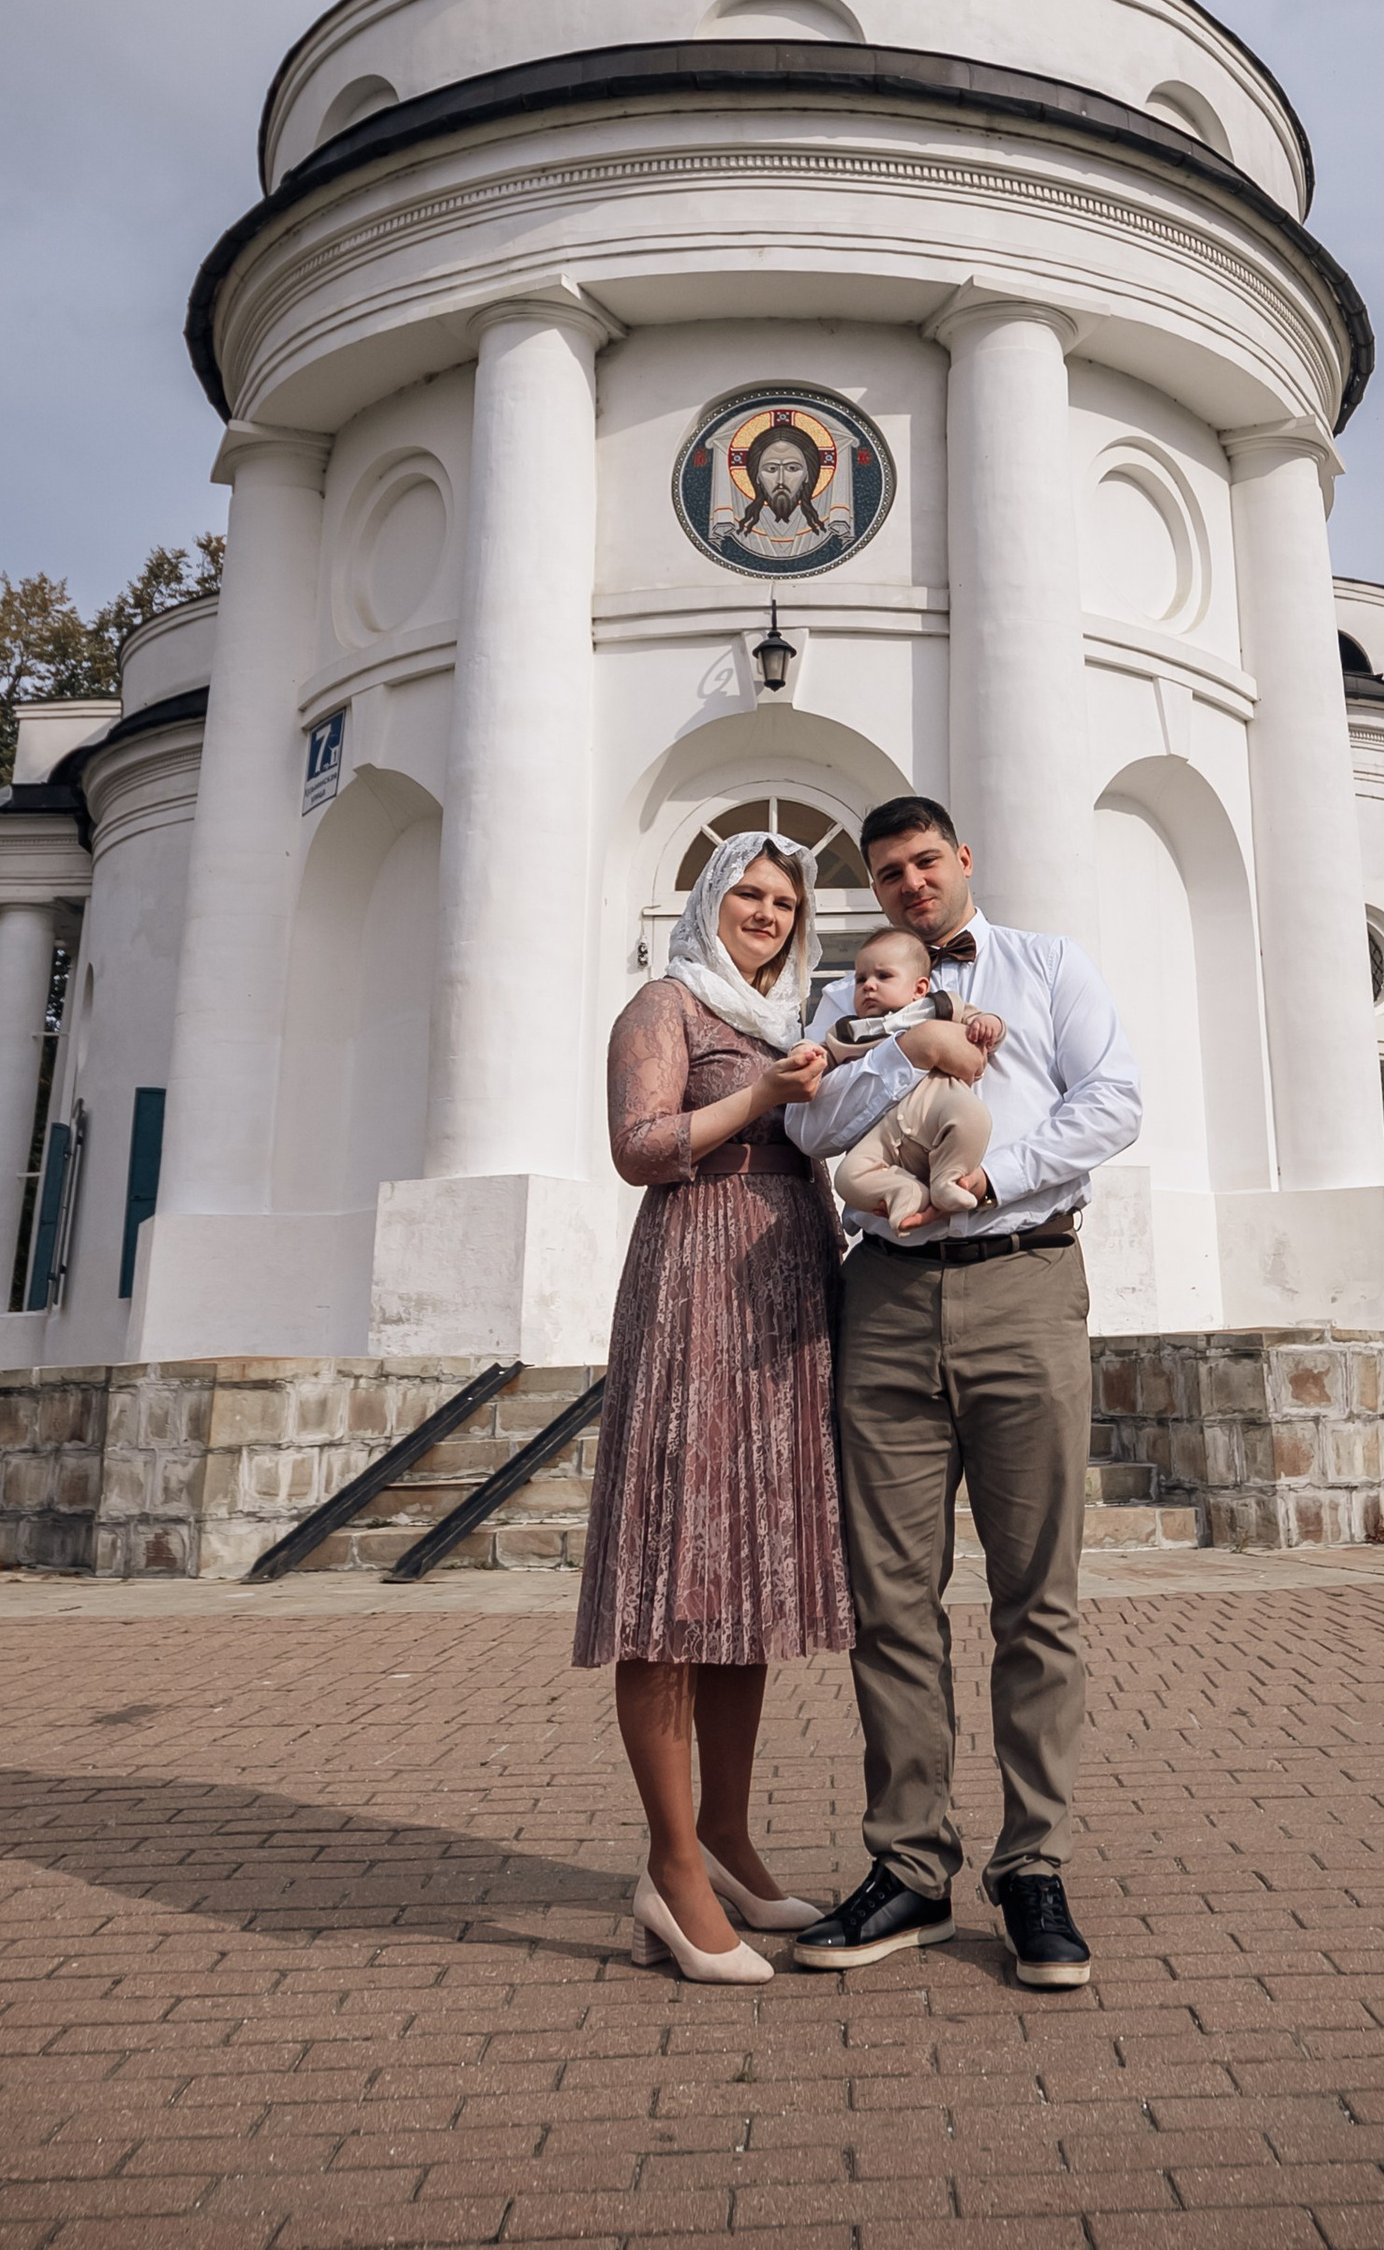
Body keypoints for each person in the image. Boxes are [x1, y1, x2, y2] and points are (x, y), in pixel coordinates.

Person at [783, 794, 1142, 1993]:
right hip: (882, 1301)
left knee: (1037, 1601)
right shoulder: (854, 1002)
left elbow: (1113, 1103)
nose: (909, 885)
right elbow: (816, 1129)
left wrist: (991, 1178)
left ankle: (1032, 1865)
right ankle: (910, 1869)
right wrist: (899, 1037)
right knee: (892, 1602)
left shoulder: (1046, 967)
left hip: (1023, 1287)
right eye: (887, 873)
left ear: (962, 861)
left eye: (924, 862)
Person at [573, 830, 852, 1984]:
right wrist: (757, 1107)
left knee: (746, 1573)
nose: (768, 912)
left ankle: (729, 1839)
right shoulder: (666, 1005)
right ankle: (671, 1867)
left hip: (787, 1299)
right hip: (694, 1286)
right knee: (672, 1577)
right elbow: (638, 1149)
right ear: (707, 898)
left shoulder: (791, 1025)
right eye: (748, 892)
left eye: (784, 900)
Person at [830, 929, 1005, 1227]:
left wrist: (989, 1025)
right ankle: (904, 1190)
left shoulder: (938, 1008)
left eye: (883, 977)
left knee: (973, 1119)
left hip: (937, 1104)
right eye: (861, 979)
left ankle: (946, 1179)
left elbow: (985, 1026)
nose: (868, 986)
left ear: (919, 988)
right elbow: (826, 1056)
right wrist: (807, 1054)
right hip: (883, 1126)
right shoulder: (852, 1030)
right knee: (847, 1177)